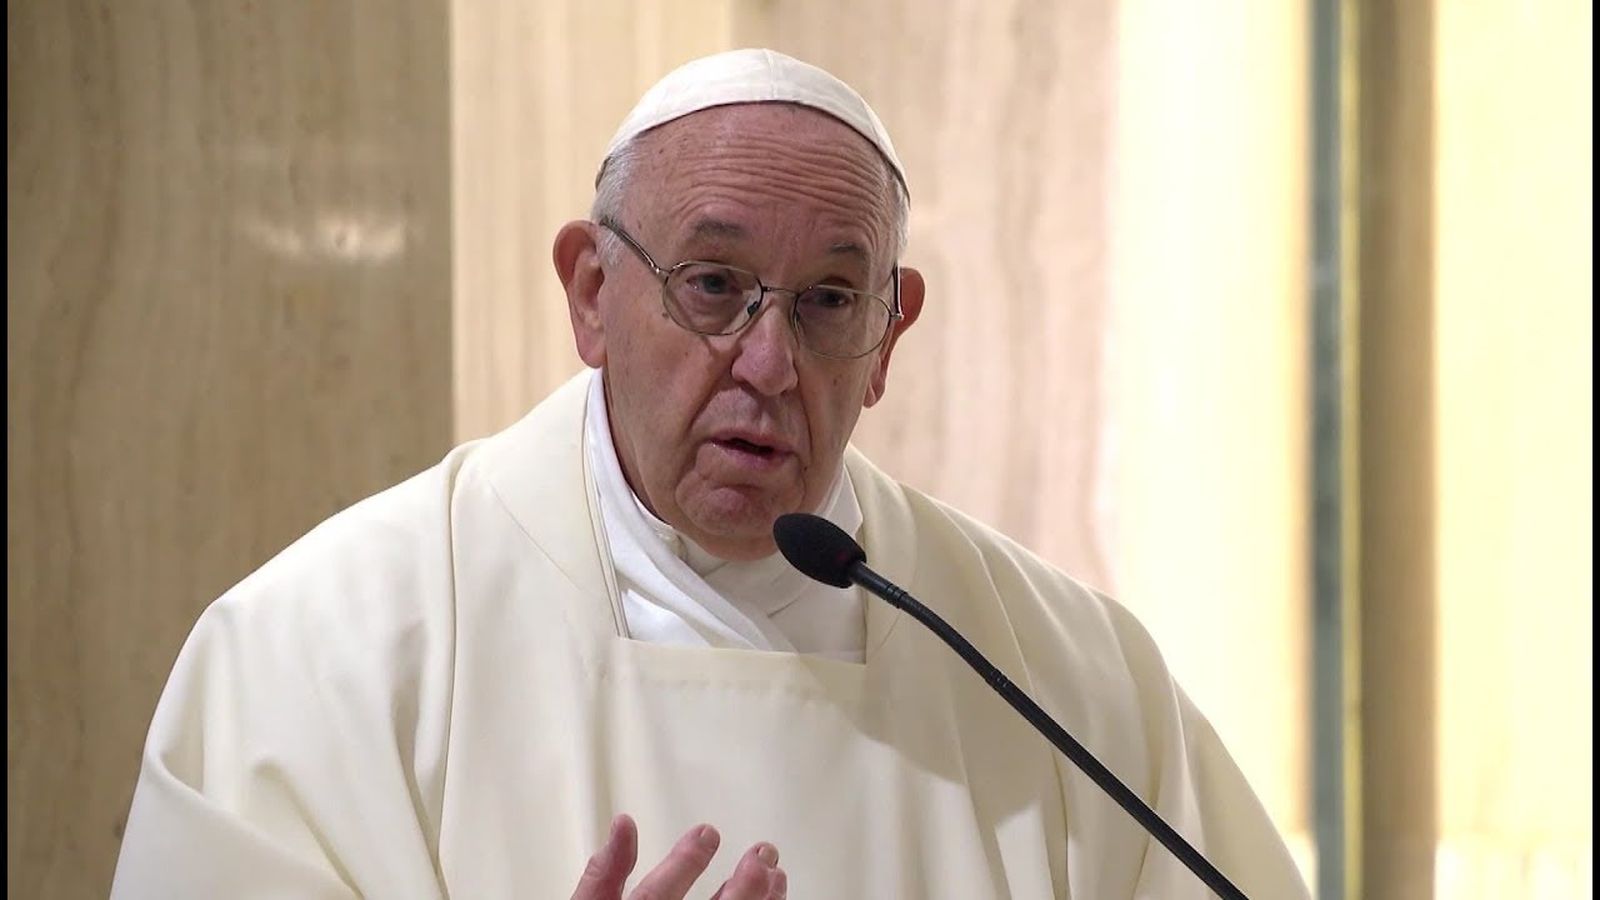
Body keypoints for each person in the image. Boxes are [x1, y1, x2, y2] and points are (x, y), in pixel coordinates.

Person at [111, 49, 1309, 899]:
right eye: (713, 286)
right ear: (591, 294)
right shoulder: (319, 655)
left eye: (830, 300)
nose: (768, 362)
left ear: (890, 337)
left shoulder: (1070, 685)